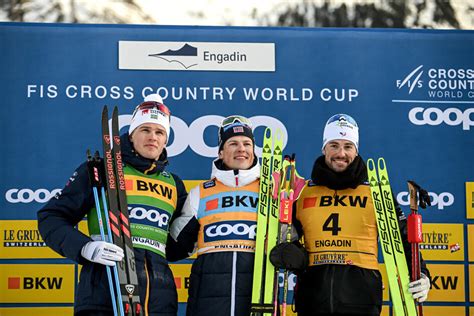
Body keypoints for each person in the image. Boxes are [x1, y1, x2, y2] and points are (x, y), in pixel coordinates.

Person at [37, 94, 187, 316]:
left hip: (158, 301)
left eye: (159, 132)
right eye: (145, 130)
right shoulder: (101, 170)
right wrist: (86, 248)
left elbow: (175, 247)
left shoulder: (174, 184)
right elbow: (51, 217)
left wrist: (191, 236)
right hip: (104, 294)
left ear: (166, 140)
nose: (152, 137)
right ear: (131, 134)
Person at [271, 113, 431, 316]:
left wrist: (423, 275)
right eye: (334, 145)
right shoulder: (302, 191)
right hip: (312, 300)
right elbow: (288, 237)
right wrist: (291, 254)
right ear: (324, 148)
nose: (341, 153)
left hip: (361, 301)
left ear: (356, 150)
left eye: (348, 146)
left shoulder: (376, 192)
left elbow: (402, 238)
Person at [166, 115, 259, 316]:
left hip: (257, 300)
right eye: (233, 143)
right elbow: (175, 247)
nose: (241, 149)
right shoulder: (201, 192)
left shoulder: (270, 191)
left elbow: (288, 240)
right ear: (221, 152)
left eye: (247, 143)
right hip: (208, 304)